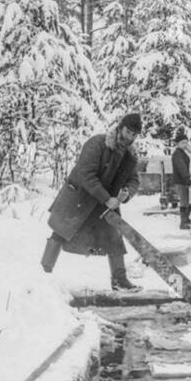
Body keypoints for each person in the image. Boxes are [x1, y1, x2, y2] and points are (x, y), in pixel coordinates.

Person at [40, 112, 142, 291]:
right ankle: (43, 274)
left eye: (134, 134)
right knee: (61, 232)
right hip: (80, 197)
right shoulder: (98, 143)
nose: (130, 137)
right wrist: (106, 198)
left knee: (114, 238)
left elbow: (134, 180)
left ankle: (119, 280)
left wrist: (127, 192)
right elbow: (85, 174)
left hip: (105, 203)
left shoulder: (130, 156)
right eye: (128, 131)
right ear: (120, 127)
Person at [171, 127, 191, 230]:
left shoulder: (182, 152)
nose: (185, 144)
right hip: (181, 181)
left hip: (182, 180)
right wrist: (187, 178)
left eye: (186, 142)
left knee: (187, 200)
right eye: (183, 143)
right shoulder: (177, 154)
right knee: (184, 201)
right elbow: (181, 167)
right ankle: (183, 223)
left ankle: (186, 219)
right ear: (178, 143)